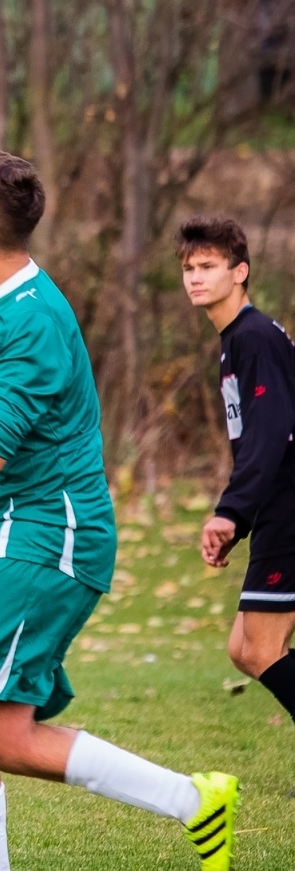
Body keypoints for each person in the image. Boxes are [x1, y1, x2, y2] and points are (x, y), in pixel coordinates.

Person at [0, 149, 239, 871]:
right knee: (4, 734)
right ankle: (196, 800)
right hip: (9, 535)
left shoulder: (33, 321)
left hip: (49, 538)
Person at [180, 215, 295, 733]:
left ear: (239, 271)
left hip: (287, 510)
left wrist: (231, 512)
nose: (195, 277)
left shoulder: (253, 337)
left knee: (260, 648)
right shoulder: (236, 340)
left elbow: (270, 433)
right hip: (274, 510)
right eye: (189, 268)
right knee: (244, 648)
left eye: (208, 266)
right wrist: (241, 519)